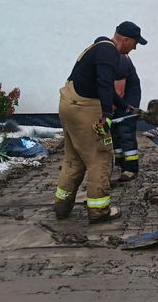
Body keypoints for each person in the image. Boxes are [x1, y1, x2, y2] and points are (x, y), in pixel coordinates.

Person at [54, 21, 147, 224]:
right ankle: (99, 211)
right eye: (135, 43)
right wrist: (106, 115)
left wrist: (126, 106)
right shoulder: (109, 52)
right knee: (101, 158)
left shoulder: (97, 48)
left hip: (69, 105)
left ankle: (61, 206)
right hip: (84, 109)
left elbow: (104, 87)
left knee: (74, 159)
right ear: (126, 39)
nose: (135, 47)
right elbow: (104, 83)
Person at [112, 54, 142, 182]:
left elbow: (119, 92)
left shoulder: (121, 60)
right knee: (115, 135)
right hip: (118, 103)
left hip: (127, 104)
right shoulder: (111, 60)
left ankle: (131, 168)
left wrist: (109, 110)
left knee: (126, 134)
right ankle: (120, 164)